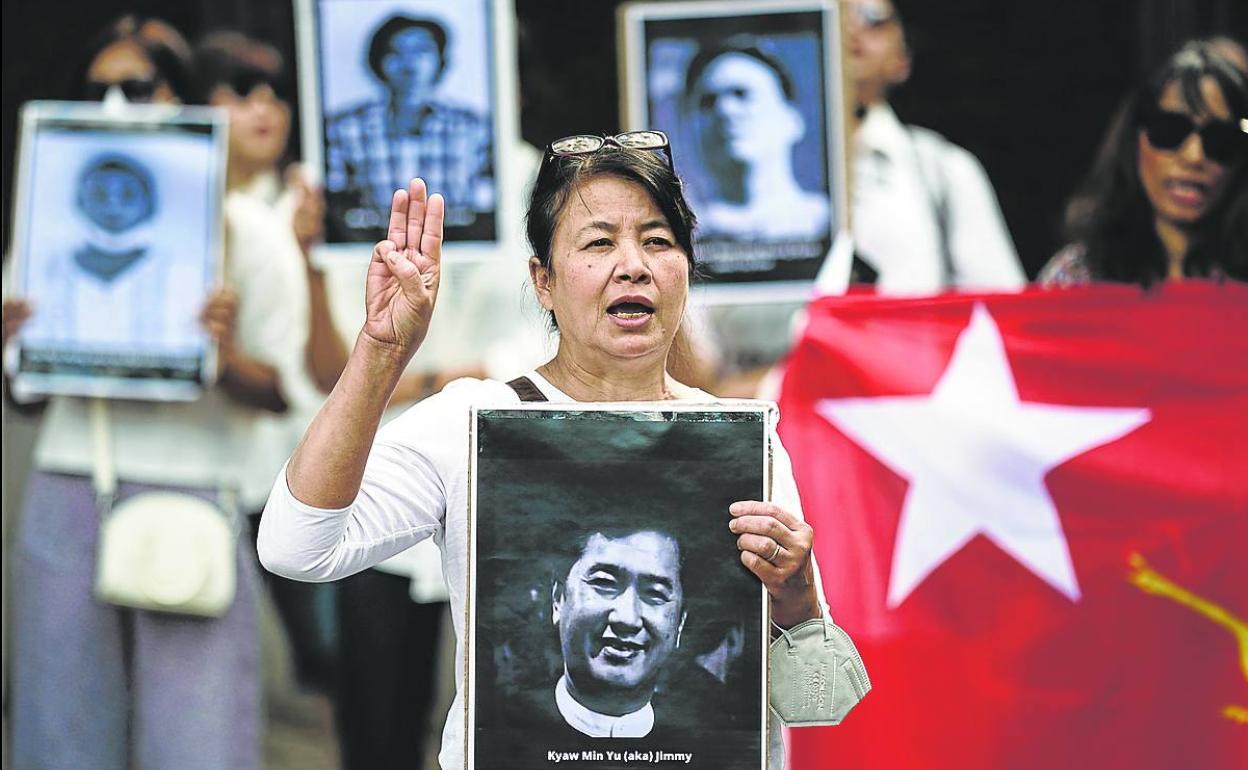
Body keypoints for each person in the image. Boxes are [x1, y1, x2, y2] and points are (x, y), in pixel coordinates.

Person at [258, 131, 871, 769]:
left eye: (658, 241)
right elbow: (293, 548)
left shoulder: (740, 441)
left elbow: (814, 704)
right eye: (599, 242)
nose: (632, 264)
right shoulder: (472, 423)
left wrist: (798, 595)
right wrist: (381, 352)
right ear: (543, 282)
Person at [6, 16, 288, 769]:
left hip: (193, 491)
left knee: (197, 739)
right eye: (96, 91)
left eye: (138, 87)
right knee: (60, 729)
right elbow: (27, 400)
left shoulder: (247, 232)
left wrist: (223, 357)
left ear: (183, 95)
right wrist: (12, 346)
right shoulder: (45, 224)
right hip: (70, 484)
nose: (117, 109)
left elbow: (289, 390)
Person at [845, 0, 1025, 292]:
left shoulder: (945, 170)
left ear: (902, 59)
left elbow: (997, 303)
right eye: (837, 16)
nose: (850, 28)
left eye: (870, 18)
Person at [1039, 40, 1248, 286]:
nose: (1194, 157)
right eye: (1170, 130)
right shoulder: (1075, 278)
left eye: (1221, 141)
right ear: (1133, 141)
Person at [324, 13, 494, 240]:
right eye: (396, 52)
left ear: (441, 59)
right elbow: (338, 208)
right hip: (370, 256)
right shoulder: (345, 129)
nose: (409, 63)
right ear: (377, 62)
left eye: (421, 51)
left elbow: (487, 205)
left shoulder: (474, 129)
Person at [684, 40, 830, 242]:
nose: (725, 110)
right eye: (707, 102)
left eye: (741, 94)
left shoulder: (828, 221)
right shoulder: (679, 234)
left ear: (792, 119)